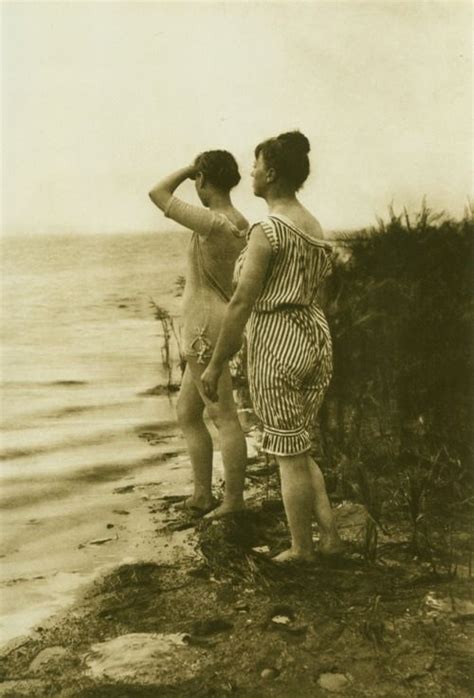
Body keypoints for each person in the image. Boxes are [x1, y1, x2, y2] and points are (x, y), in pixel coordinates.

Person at [202, 131, 342, 561]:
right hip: (314, 338)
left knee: (288, 454)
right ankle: (331, 537)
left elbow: (242, 302)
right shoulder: (313, 226)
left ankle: (302, 548)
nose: (252, 171)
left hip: (277, 341)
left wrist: (215, 364)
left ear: (273, 173)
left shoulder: (268, 230)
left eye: (257, 164)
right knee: (298, 445)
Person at [149, 150, 248, 517]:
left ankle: (234, 500)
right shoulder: (240, 222)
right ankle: (202, 494)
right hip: (217, 321)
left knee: (224, 416)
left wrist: (192, 168)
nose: (195, 185)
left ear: (204, 180)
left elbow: (158, 193)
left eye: (197, 180)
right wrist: (201, 170)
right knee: (188, 411)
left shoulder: (212, 222)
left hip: (204, 325)